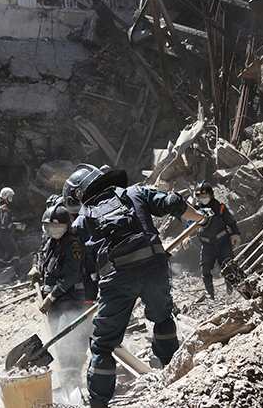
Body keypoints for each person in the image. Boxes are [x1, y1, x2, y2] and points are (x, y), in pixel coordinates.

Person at [62, 164, 208, 408]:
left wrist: (92, 297)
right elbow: (172, 202)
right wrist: (202, 218)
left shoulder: (80, 221)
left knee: (103, 345)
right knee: (162, 320)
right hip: (155, 270)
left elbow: (87, 270)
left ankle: (98, 403)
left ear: (76, 197)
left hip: (117, 281)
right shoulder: (134, 192)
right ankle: (176, 379)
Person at [27, 197, 89, 392]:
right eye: (47, 225)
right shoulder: (51, 241)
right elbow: (41, 254)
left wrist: (51, 297)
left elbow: (70, 277)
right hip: (52, 301)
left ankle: (74, 381)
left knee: (68, 341)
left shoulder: (72, 245)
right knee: (55, 342)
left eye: (54, 225)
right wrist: (36, 267)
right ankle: (65, 381)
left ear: (64, 225)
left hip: (70, 300)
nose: (50, 228)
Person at [189, 182, 240, 299]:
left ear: (211, 195)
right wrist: (185, 237)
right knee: (205, 270)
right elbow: (189, 224)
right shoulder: (195, 210)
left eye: (205, 196)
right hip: (207, 246)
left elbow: (231, 222)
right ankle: (211, 296)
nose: (203, 199)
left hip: (223, 243)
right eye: (200, 197)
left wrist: (236, 234)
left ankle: (231, 291)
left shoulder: (220, 207)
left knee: (229, 267)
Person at [0, 187, 26, 278]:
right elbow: (5, 223)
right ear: (5, 196)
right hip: (4, 234)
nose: (11, 198)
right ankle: (19, 273)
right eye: (10, 196)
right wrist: (17, 227)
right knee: (14, 252)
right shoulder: (4, 208)